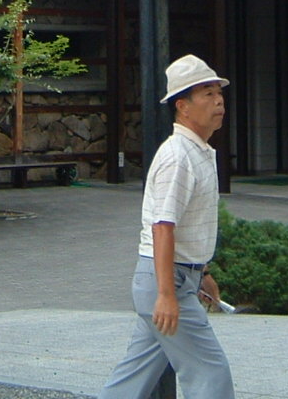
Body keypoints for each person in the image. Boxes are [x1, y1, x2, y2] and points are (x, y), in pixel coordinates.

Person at [98, 54, 234, 399]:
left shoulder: (196, 150)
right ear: (182, 106)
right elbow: (163, 226)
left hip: (174, 278)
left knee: (135, 376)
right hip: (165, 280)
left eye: (219, 92)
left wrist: (200, 273)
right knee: (209, 370)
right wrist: (166, 294)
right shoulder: (178, 155)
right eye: (207, 93)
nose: (218, 101)